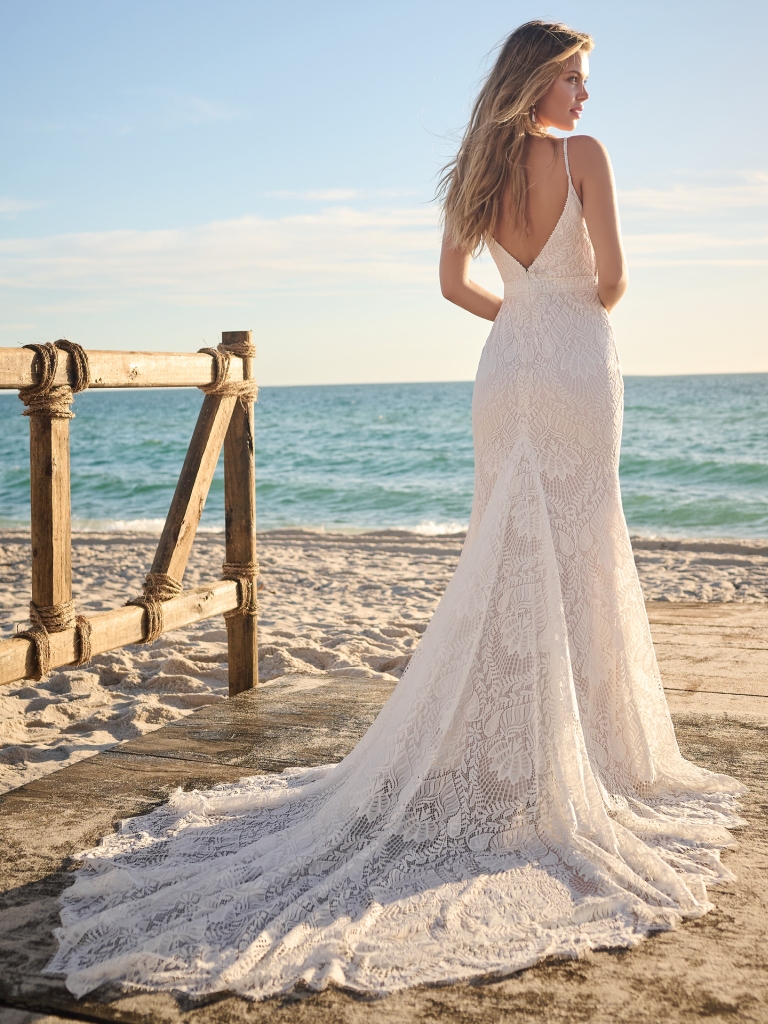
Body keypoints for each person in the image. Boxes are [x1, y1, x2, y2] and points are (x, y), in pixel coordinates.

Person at [47, 20, 744, 1002]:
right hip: (580, 364)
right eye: (575, 78)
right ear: (538, 79)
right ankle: (590, 751)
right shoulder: (584, 155)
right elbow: (616, 281)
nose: (585, 97)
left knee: (505, 548)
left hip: (507, 369)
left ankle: (505, 752)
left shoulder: (476, 169)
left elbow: (454, 284)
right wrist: (561, 309)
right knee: (584, 543)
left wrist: (521, 313)